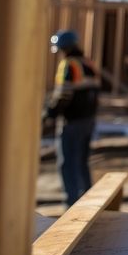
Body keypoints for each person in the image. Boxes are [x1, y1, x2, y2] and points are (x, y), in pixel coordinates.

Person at [46, 29, 100, 207]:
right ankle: (89, 205)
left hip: (72, 121)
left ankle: (72, 207)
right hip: (88, 119)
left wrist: (50, 113)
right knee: (82, 163)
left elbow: (64, 94)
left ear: (63, 48)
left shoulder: (69, 65)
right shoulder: (88, 63)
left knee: (67, 164)